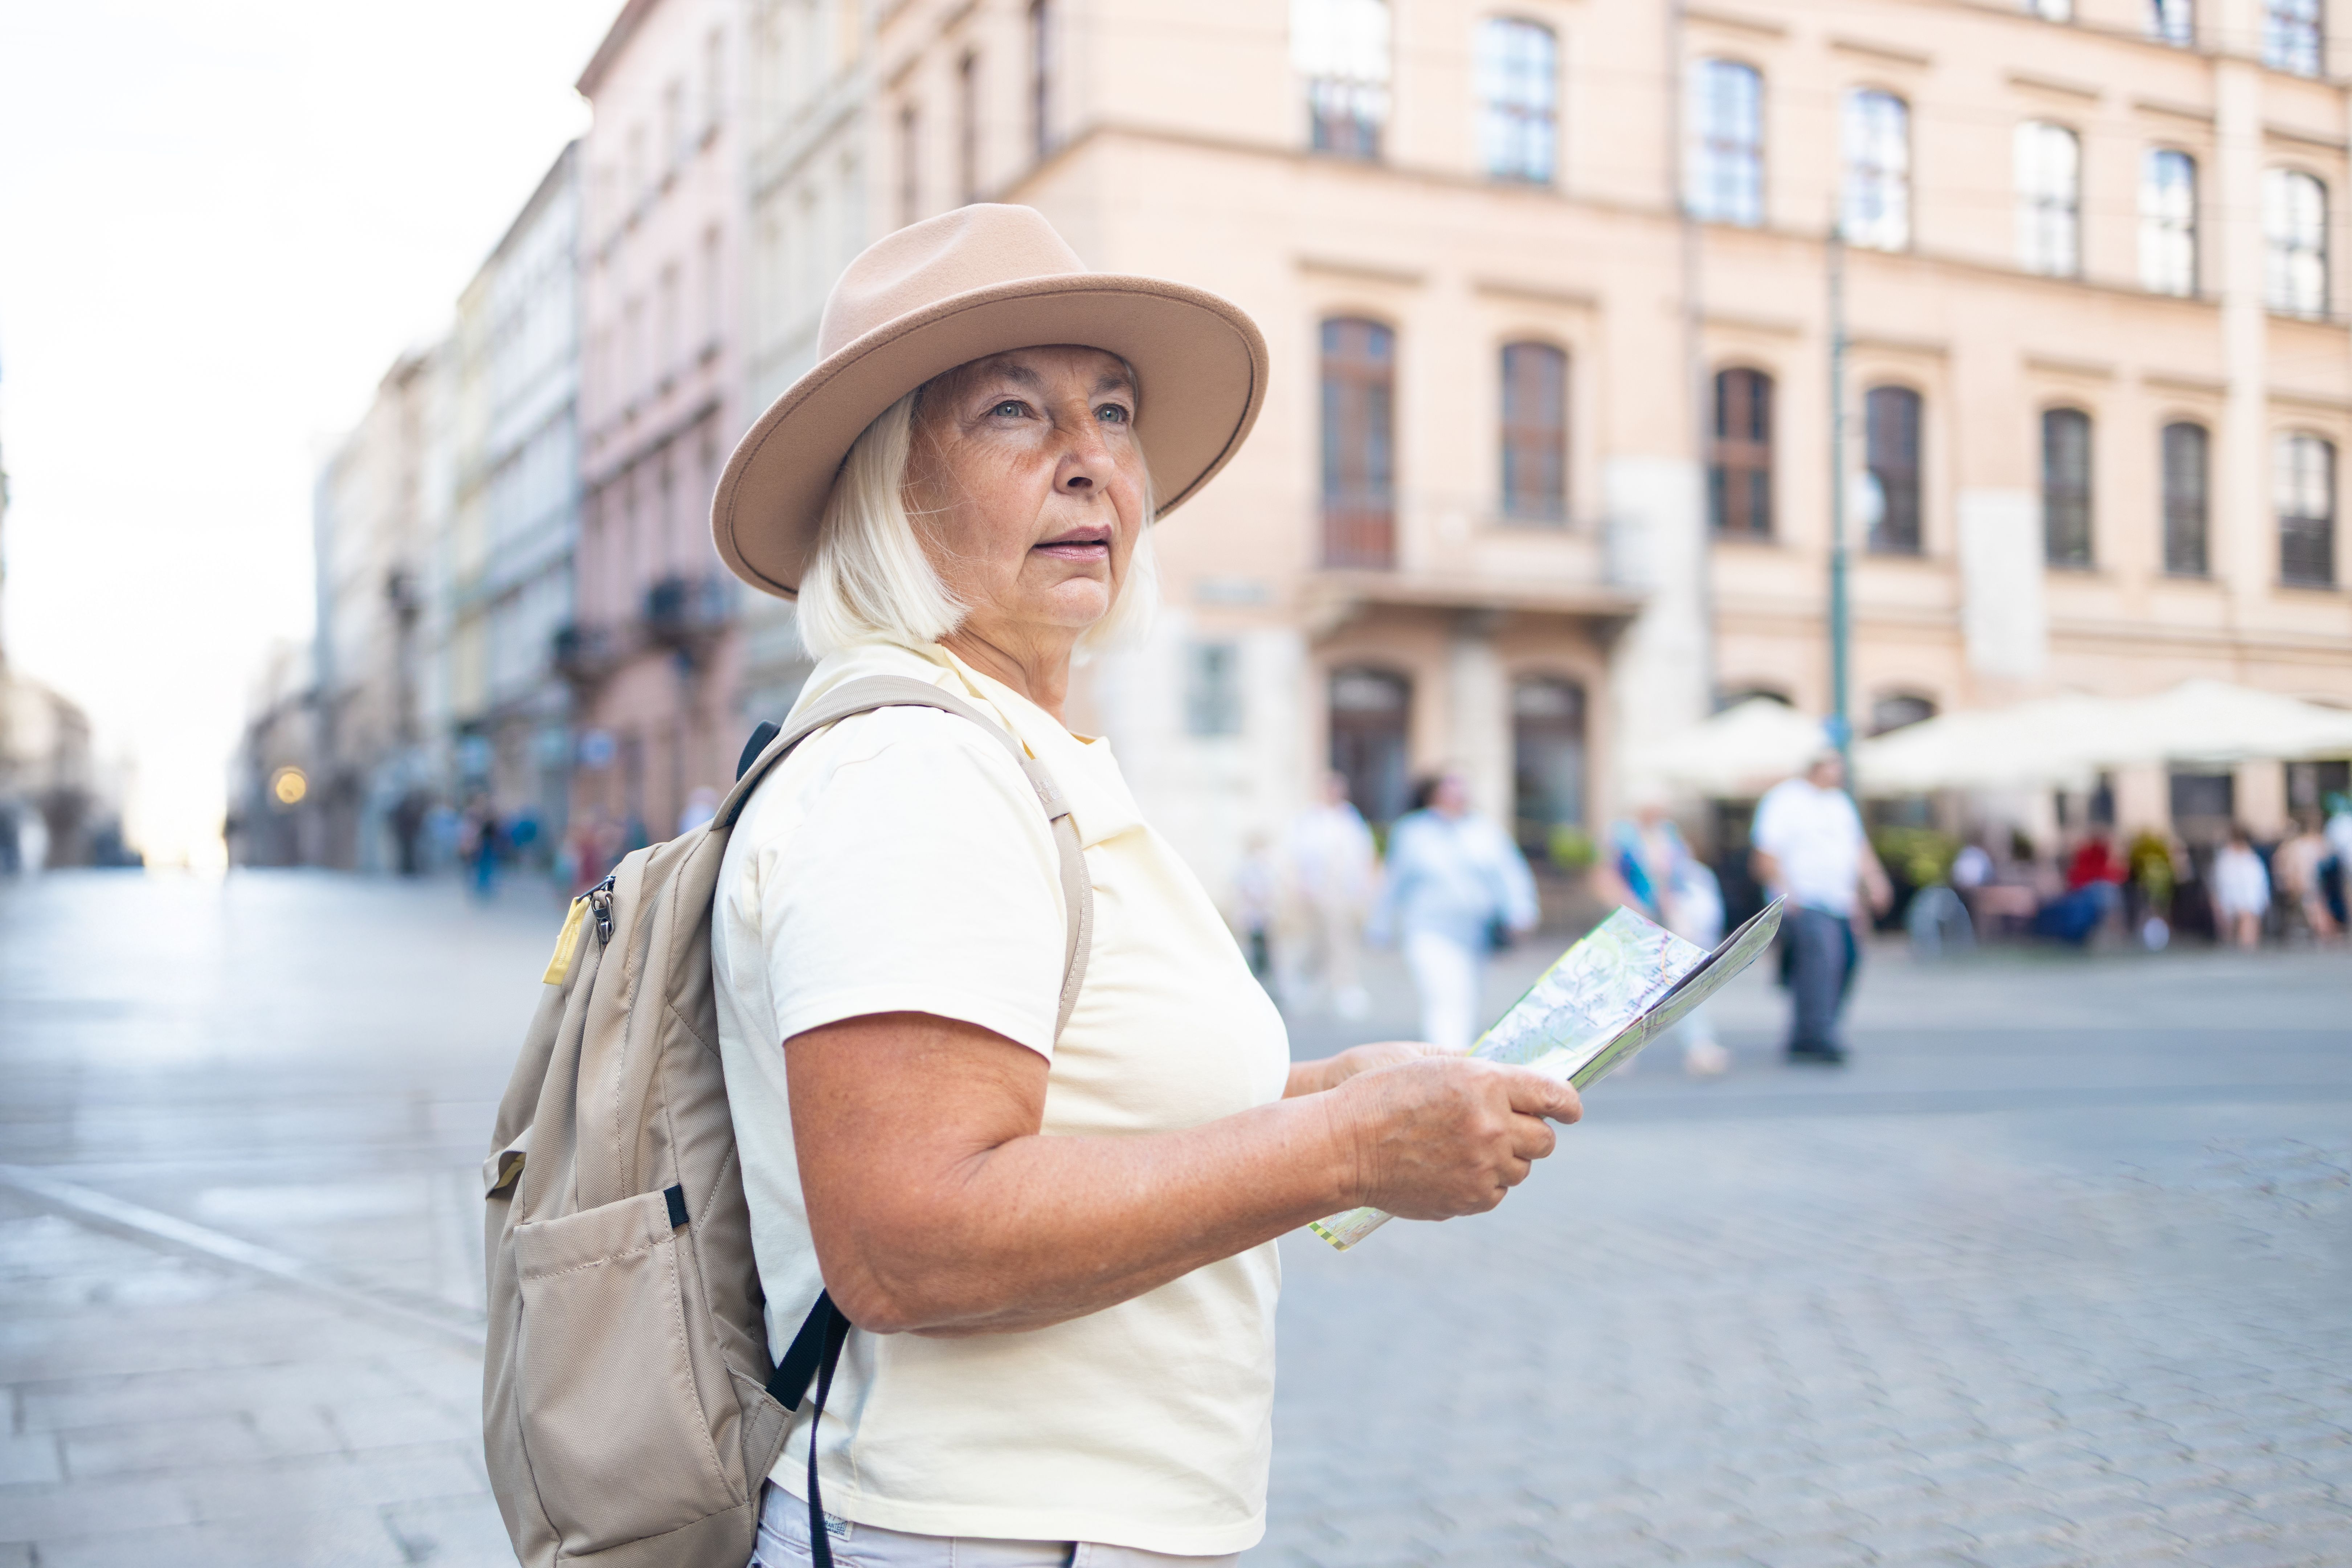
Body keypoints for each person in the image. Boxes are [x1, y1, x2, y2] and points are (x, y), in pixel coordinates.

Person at [705, 206, 1582, 1568]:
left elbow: (1089, 1100)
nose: (1090, 462)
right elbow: (909, 1239)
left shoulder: (1019, 746)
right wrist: (1347, 1150)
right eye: (1015, 414)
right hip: (970, 1530)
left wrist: (1342, 1085)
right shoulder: (916, 768)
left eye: (1113, 413)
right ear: (890, 485)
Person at [1369, 770, 1540, 1055]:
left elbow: (1510, 874)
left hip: (1476, 933)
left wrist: (1521, 912)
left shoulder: (1483, 830)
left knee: (1466, 998)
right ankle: (1447, 1062)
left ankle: (1457, 1058)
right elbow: (1393, 882)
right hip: (1428, 930)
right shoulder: (1413, 832)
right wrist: (1380, 926)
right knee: (1443, 996)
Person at [1749, 752, 1892, 1066]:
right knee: (1820, 964)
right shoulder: (1785, 800)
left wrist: (1873, 882)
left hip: (1839, 900)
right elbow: (1766, 851)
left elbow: (1857, 848)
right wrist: (1786, 891)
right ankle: (1818, 1034)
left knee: (1847, 961)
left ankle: (1810, 1031)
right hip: (1805, 899)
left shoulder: (1839, 803)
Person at [1593, 796, 1729, 1075]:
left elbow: (1680, 875)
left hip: (1669, 918)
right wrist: (1626, 905)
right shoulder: (1623, 836)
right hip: (1637, 920)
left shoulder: (1669, 835)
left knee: (1681, 981)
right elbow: (1606, 877)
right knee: (1630, 985)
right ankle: (1617, 1048)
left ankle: (1699, 1047)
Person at [1281, 772, 1376, 1016]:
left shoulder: (1349, 818)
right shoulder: (1309, 820)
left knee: (1329, 939)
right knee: (1336, 936)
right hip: (1319, 887)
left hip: (1346, 888)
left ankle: (1302, 979)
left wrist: (1366, 885)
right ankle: (1346, 986)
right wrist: (1300, 886)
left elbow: (1363, 852)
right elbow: (1297, 855)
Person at [2273, 814, 2339, 941]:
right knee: (2317, 905)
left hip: (2304, 881)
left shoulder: (2294, 846)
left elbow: (2286, 866)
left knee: (2313, 907)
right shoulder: (2311, 843)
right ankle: (2327, 932)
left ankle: (2325, 933)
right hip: (2314, 879)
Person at [2210, 825, 2271, 949]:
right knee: (2236, 928)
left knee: (2245, 924)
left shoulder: (2247, 859)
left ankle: (2246, 948)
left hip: (2245, 899)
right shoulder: (2233, 858)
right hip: (2240, 899)